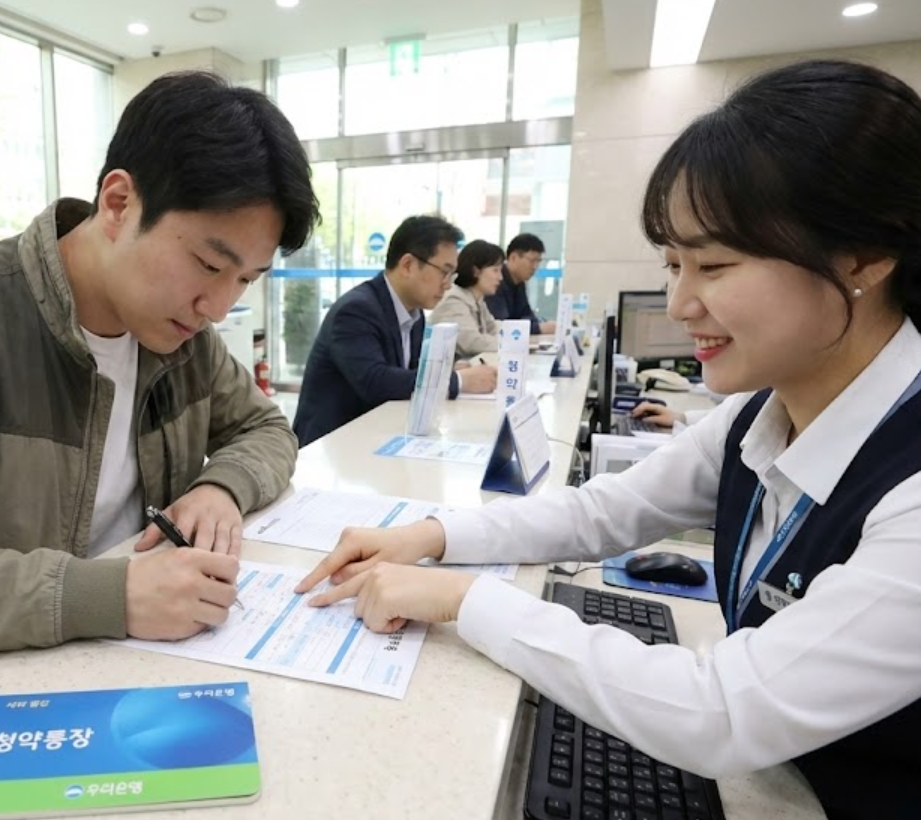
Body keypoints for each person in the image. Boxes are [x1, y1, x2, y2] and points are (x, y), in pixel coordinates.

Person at [296, 60, 921, 818]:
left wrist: (467, 600)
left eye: (714, 265)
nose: (681, 301)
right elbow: (600, 513)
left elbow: (723, 711)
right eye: (672, 263)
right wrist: (429, 534)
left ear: (863, 257)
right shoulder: (764, 414)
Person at [0, 71, 318, 687]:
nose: (219, 307)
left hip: (134, 663)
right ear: (119, 204)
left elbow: (266, 428)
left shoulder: (182, 337)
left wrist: (222, 487)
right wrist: (106, 596)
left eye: (246, 279)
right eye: (208, 264)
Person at [292, 215, 499, 447]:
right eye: (444, 271)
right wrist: (458, 381)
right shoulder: (356, 310)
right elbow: (376, 382)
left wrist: (447, 369)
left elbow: (412, 375)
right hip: (333, 447)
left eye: (452, 275)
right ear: (408, 265)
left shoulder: (415, 312)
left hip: (382, 433)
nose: (448, 284)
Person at [429, 238, 505, 358]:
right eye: (495, 270)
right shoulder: (454, 299)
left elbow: (494, 328)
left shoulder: (477, 299)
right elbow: (472, 343)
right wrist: (512, 344)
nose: (500, 277)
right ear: (475, 271)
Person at [486, 233, 556, 334]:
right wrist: (539, 328)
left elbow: (527, 316)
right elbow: (503, 324)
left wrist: (540, 324)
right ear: (513, 257)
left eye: (538, 262)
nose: (535, 267)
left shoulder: (519, 283)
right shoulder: (496, 282)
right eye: (532, 261)